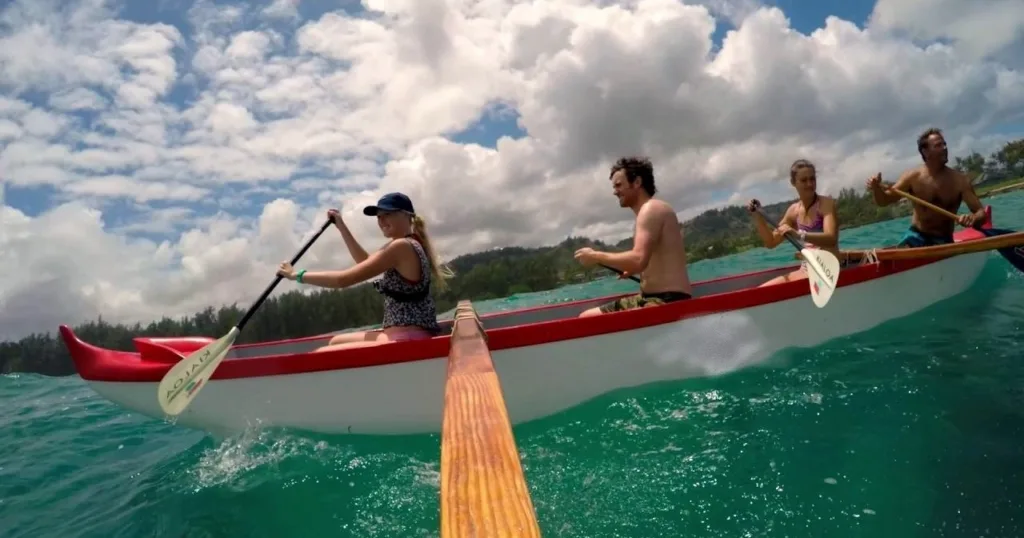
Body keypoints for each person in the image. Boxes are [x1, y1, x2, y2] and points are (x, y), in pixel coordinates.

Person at [276, 192, 454, 352]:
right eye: (379, 217)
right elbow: (365, 263)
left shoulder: (401, 246)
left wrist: (296, 275)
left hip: (406, 339)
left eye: (388, 214)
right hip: (408, 333)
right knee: (335, 341)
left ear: (408, 216)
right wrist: (342, 227)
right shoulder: (410, 244)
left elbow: (342, 280)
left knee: (319, 355)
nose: (382, 221)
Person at [574, 156, 694, 317]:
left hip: (668, 300)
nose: (615, 191)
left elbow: (638, 260)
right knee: (586, 318)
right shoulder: (646, 213)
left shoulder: (651, 209)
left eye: (618, 185)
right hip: (648, 297)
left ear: (637, 182)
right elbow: (645, 261)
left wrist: (595, 256)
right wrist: (629, 269)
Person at [866, 127, 987, 248]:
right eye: (938, 145)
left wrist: (972, 218)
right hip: (915, 237)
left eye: (944, 144)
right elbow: (884, 201)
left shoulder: (960, 181)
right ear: (925, 152)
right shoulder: (913, 177)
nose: (945, 148)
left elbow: (981, 213)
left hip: (944, 241)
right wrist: (876, 188)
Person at [746, 159, 841, 287]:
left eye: (812, 179)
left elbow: (831, 239)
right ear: (793, 183)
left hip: (827, 271)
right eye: (804, 180)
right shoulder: (793, 211)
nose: (809, 184)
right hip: (806, 270)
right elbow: (771, 242)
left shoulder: (826, 204)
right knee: (759, 291)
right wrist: (758, 215)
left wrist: (799, 235)